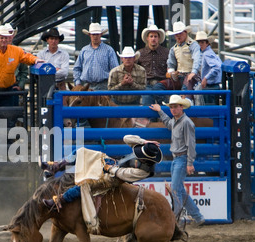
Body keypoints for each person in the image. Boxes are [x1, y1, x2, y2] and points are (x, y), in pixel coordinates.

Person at [40, 135, 162, 208]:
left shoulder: (145, 171)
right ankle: (56, 167)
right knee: (81, 152)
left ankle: (61, 200)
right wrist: (143, 142)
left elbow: (122, 174)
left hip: (113, 178)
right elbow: (126, 138)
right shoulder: (143, 150)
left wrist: (108, 168)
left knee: (87, 184)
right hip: (112, 163)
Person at [0, 24, 44, 128]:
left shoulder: (16, 51)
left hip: (8, 90)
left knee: (9, 119)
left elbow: (26, 57)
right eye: (1, 37)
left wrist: (35, 59)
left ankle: (8, 142)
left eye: (6, 37)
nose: (4, 40)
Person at [149, 95, 205, 225]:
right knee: (179, 190)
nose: (173, 110)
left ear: (181, 107)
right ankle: (198, 217)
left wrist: (190, 163)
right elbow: (169, 124)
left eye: (175, 107)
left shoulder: (186, 122)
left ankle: (175, 220)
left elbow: (191, 144)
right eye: (171, 107)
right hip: (177, 159)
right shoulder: (177, 121)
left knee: (175, 189)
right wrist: (160, 111)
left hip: (182, 158)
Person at [73, 23, 119, 91]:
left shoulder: (109, 50)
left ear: (101, 35)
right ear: (89, 35)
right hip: (87, 86)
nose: (95, 36)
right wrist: (78, 83)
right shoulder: (84, 50)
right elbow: (77, 68)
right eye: (93, 34)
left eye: (97, 34)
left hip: (103, 85)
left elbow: (115, 70)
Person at [166, 21, 202, 103]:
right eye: (176, 34)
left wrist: (193, 72)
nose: (178, 36)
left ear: (185, 33)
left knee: (187, 86)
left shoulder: (193, 45)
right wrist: (172, 73)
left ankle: (185, 102)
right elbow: (170, 64)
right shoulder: (174, 48)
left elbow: (197, 59)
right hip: (179, 76)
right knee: (161, 86)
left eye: (180, 33)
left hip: (192, 77)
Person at [137, 25, 170, 106]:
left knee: (164, 108)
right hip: (146, 84)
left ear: (158, 38)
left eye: (155, 36)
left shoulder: (166, 52)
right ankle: (150, 118)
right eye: (151, 36)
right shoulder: (140, 53)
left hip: (162, 84)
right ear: (147, 38)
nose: (153, 38)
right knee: (147, 107)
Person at [196, 31, 222, 105]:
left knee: (210, 110)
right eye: (198, 42)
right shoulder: (210, 52)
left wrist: (205, 78)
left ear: (207, 43)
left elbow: (216, 67)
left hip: (210, 86)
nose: (200, 44)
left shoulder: (207, 54)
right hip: (213, 86)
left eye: (202, 42)